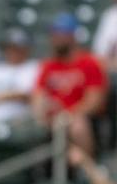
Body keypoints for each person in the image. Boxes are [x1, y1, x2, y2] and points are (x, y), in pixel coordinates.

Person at [32, 13, 107, 155]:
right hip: (52, 119)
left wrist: (68, 114)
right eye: (54, 33)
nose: (56, 38)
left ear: (72, 35)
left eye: (61, 33)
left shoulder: (88, 63)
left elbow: (95, 100)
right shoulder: (48, 65)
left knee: (78, 126)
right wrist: (43, 111)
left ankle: (86, 169)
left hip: (79, 118)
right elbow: (38, 95)